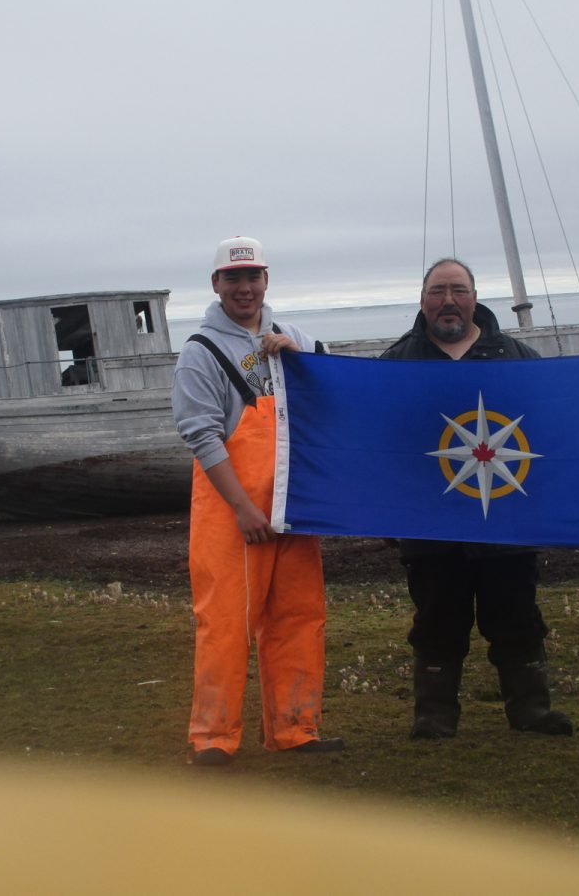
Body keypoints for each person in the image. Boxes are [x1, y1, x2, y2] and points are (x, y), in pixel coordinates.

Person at [379, 257, 572, 739]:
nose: (449, 300)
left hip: (508, 519)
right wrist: (381, 510)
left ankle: (531, 710)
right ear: (422, 301)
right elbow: (377, 445)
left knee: (518, 617)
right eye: (438, 290)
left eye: (459, 290)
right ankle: (434, 715)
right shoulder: (395, 365)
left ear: (475, 298)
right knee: (437, 619)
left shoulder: (517, 358)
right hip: (429, 525)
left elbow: (554, 429)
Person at [171, 235, 343, 766]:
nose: (244, 288)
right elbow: (200, 435)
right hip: (234, 514)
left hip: (294, 509)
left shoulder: (291, 334)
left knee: (298, 616)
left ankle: (295, 728)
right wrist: (244, 509)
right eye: (233, 278)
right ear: (216, 284)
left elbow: (337, 388)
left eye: (253, 277)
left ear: (266, 280)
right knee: (225, 624)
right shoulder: (199, 352)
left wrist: (301, 358)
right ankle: (213, 738)